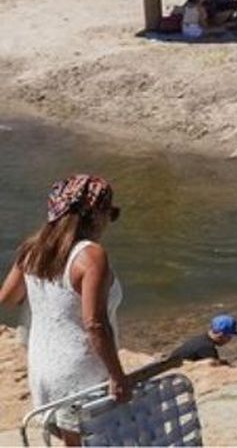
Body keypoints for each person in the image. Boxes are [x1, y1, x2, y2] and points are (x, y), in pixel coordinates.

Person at [1, 175, 130, 440]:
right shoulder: (90, 256)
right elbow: (94, 324)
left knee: (72, 442)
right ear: (94, 214)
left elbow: (8, 298)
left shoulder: (32, 249)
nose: (109, 221)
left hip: (44, 367)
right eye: (110, 212)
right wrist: (117, 375)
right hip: (81, 371)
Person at [167, 314, 237, 363]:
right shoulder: (207, 348)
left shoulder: (201, 339)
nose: (230, 340)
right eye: (229, 337)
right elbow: (216, 369)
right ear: (220, 335)